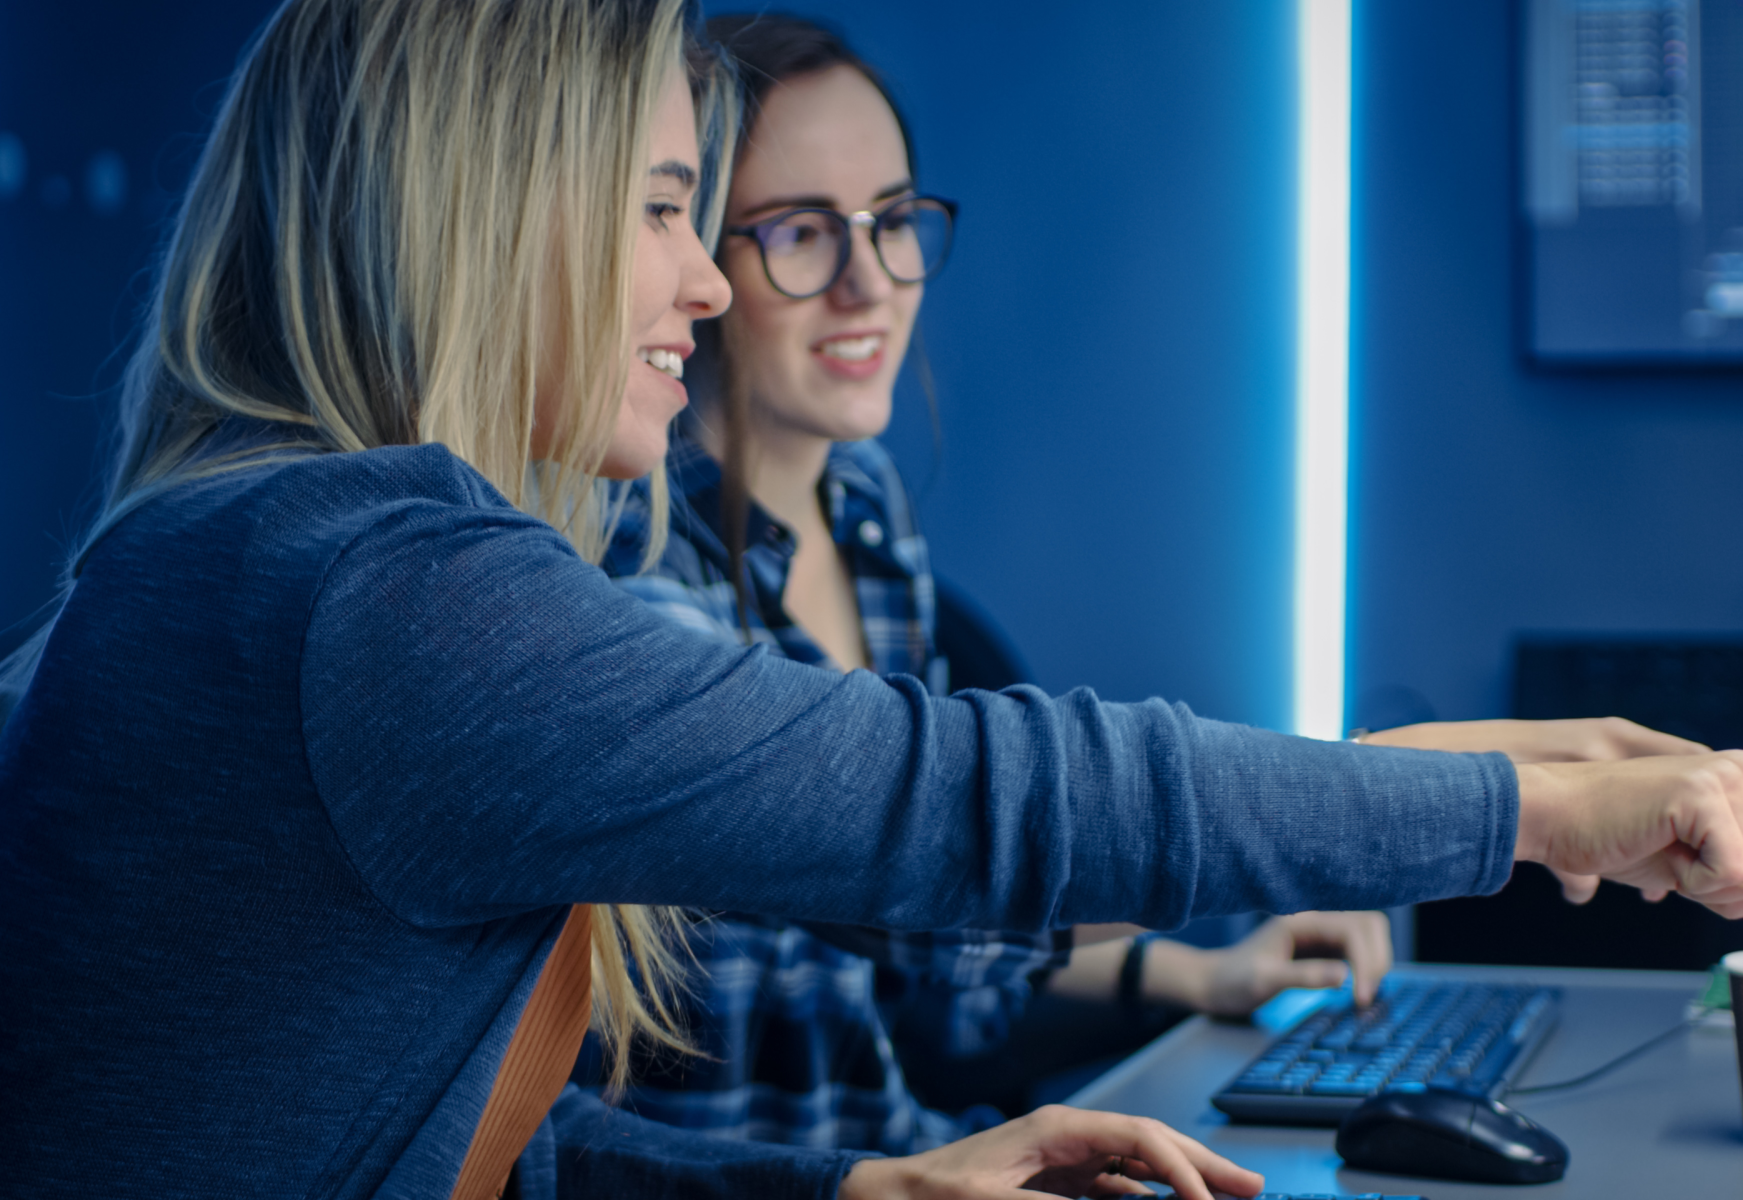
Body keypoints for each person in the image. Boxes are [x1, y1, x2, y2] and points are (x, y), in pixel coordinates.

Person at [0, 0, 1743, 1196]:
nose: (705, 290)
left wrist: (851, 1190)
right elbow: (974, 802)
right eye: (662, 216)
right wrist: (1512, 805)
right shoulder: (381, 596)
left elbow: (439, 1150)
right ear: (485, 218)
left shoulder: (244, 556)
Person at [586, 14, 1465, 1152]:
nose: (869, 283)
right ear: (695, 256)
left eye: (893, 222)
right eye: (801, 232)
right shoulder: (622, 568)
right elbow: (916, 877)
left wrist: (1188, 974)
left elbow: (949, 967)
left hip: (903, 1155)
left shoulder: (864, 517)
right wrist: (1416, 808)